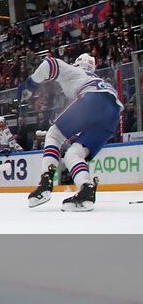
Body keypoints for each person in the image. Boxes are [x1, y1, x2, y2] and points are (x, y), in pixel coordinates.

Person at [23, 52, 121, 211]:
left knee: (54, 134)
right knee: (74, 154)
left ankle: (45, 183)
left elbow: (50, 64)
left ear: (76, 63)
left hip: (92, 99)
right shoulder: (96, 78)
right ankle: (86, 190)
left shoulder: (74, 71)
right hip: (113, 113)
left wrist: (31, 84)